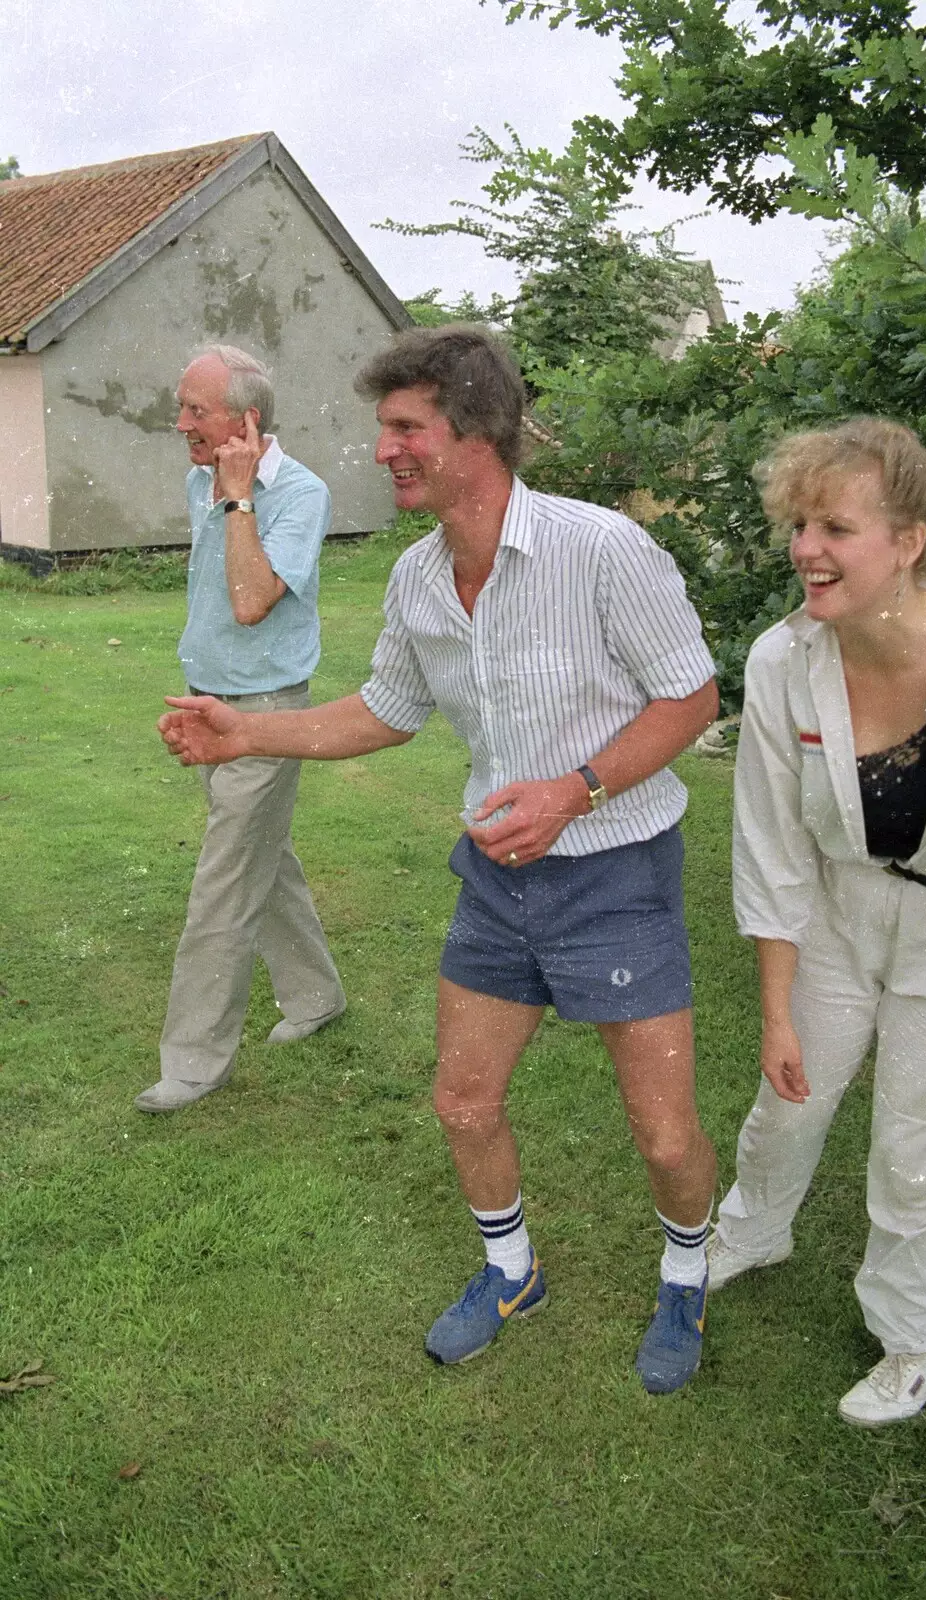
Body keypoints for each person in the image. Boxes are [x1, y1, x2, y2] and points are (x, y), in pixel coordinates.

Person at [157, 325, 721, 1393]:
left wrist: (575, 790)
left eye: (406, 428)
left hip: (615, 871)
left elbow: (691, 695)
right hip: (495, 882)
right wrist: (248, 731)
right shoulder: (419, 578)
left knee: (660, 1134)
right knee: (462, 1103)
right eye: (385, 429)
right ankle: (510, 1270)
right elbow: (385, 710)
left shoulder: (599, 550)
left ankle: (687, 1272)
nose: (384, 450)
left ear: (475, 433)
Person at [708, 418, 926, 1426]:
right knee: (788, 1099)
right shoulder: (783, 659)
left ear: (907, 540)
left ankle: (909, 1339)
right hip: (837, 912)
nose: (805, 547)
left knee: (917, 1146)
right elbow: (771, 847)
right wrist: (775, 1012)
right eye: (798, 522)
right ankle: (750, 1229)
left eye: (835, 527)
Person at [134, 346, 345, 1113]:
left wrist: (241, 498)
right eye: (182, 406)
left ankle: (194, 1061)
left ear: (245, 420)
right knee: (262, 855)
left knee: (223, 882)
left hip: (265, 711)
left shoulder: (299, 492)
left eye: (196, 410)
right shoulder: (203, 478)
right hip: (207, 701)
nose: (181, 423)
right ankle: (316, 995)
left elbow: (253, 599)